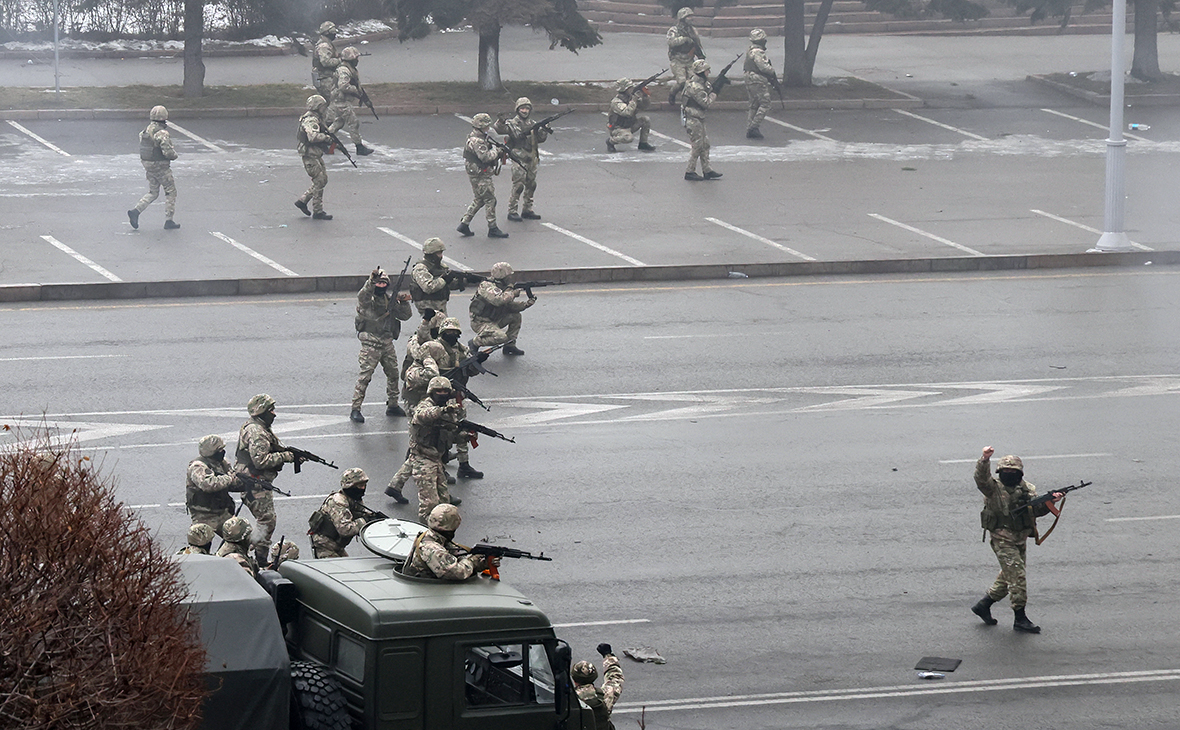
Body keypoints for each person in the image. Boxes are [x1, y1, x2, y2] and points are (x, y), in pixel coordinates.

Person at [971, 447, 1062, 634]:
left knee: (1008, 578)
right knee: (1018, 577)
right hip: (1001, 538)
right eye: (1006, 471)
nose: (1010, 474)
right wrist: (984, 459)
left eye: (1014, 472)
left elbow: (1036, 511)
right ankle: (1020, 618)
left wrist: (1051, 502)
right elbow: (980, 479)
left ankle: (984, 605)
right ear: (1000, 472)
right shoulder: (993, 488)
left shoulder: (1027, 489)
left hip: (1020, 537)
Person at [234, 393, 297, 566]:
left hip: (256, 481)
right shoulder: (257, 432)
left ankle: (249, 552)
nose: (274, 413)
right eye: (271, 410)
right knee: (267, 520)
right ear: (261, 411)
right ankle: (255, 556)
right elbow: (260, 461)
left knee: (266, 520)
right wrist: (286, 457)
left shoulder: (259, 426)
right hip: (254, 482)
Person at [386, 339, 448, 504]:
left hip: (426, 409)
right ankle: (438, 485)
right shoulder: (415, 371)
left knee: (416, 452)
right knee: (421, 448)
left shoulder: (423, 367)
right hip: (418, 411)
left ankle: (395, 485)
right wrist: (429, 359)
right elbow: (433, 375)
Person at [351, 266, 413, 423]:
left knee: (393, 374)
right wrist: (371, 281)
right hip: (370, 343)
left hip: (386, 342)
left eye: (383, 284)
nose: (380, 286)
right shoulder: (368, 301)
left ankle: (392, 405)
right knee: (365, 377)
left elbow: (405, 316)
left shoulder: (389, 301)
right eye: (378, 284)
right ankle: (355, 408)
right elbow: (362, 295)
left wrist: (403, 302)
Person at [408, 377, 464, 522]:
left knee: (444, 502)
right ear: (432, 392)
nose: (442, 393)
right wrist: (443, 410)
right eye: (438, 391)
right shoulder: (425, 405)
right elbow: (422, 415)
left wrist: (465, 435)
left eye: (445, 391)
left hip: (437, 459)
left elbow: (450, 433)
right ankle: (426, 538)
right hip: (423, 459)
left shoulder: (449, 408)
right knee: (429, 505)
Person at [434, 317, 483, 480]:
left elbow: (471, 371)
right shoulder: (434, 348)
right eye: (448, 332)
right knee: (441, 434)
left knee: (463, 430)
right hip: (440, 396)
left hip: (458, 396)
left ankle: (464, 465)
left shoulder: (462, 350)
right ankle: (440, 468)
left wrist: (477, 361)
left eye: (455, 332)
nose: (452, 335)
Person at [402, 504, 496, 580]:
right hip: (425, 590)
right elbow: (458, 573)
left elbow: (454, 558)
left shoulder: (432, 536)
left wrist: (483, 563)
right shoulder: (432, 549)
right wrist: (473, 561)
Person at [127, 105, 180, 231]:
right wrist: (175, 155)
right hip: (160, 166)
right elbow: (168, 152)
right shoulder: (161, 133)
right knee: (170, 191)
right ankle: (169, 220)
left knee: (153, 192)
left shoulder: (145, 132)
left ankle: (136, 211)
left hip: (148, 165)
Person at [494, 97, 547, 222]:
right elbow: (500, 129)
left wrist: (543, 130)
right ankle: (512, 211)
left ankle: (527, 209)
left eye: (527, 108)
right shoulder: (512, 124)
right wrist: (500, 121)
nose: (525, 111)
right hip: (519, 158)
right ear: (517, 109)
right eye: (522, 108)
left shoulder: (532, 124)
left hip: (531, 157)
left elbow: (540, 139)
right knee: (518, 185)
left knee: (531, 184)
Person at [457, 114, 509, 239]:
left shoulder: (476, 136)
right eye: (486, 126)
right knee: (490, 199)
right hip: (480, 174)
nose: (488, 128)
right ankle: (492, 228)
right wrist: (497, 150)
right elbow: (485, 157)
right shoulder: (478, 141)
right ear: (481, 127)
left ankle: (464, 223)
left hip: (476, 172)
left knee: (479, 199)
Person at [309, 467, 378, 558]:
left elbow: (362, 515)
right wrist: (364, 521)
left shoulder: (354, 500)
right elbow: (345, 529)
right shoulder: (338, 501)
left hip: (337, 546)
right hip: (325, 545)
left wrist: (375, 520)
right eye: (360, 486)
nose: (363, 488)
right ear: (350, 486)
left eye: (364, 485)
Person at [469, 262, 535, 356]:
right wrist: (512, 293)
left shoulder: (503, 287)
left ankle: (510, 346)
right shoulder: (487, 286)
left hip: (494, 319)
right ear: (502, 276)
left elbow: (510, 306)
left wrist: (526, 304)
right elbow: (499, 300)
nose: (510, 279)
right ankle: (475, 342)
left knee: (516, 316)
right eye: (508, 276)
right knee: (501, 337)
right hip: (481, 322)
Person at [185, 434, 245, 537]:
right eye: (220, 449)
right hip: (203, 515)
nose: (222, 452)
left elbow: (231, 483)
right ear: (212, 451)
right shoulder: (198, 467)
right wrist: (229, 478)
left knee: (239, 538)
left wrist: (246, 484)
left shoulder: (222, 463)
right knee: (201, 543)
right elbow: (208, 484)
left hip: (222, 513)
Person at [328, 46, 374, 157]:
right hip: (341, 102)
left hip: (339, 101)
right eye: (356, 59)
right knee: (353, 123)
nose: (357, 61)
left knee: (338, 123)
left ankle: (327, 143)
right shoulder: (344, 70)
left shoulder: (347, 69)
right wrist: (356, 91)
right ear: (351, 59)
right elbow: (343, 86)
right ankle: (359, 147)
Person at [294, 94, 334, 220]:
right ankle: (318, 211)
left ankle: (303, 200)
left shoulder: (317, 118)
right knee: (319, 180)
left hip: (315, 153)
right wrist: (327, 139)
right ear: (317, 107)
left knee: (323, 179)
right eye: (322, 106)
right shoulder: (311, 120)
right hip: (309, 155)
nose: (324, 109)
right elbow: (313, 137)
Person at [681, 59, 722, 182]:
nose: (709, 72)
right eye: (707, 70)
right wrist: (715, 93)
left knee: (705, 144)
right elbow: (706, 103)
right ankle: (690, 171)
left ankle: (707, 170)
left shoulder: (701, 83)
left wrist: (717, 84)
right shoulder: (695, 87)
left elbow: (708, 90)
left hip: (699, 117)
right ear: (702, 72)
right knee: (697, 145)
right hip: (693, 118)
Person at [572, 644, 625, 730]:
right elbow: (616, 677)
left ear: (574, 679)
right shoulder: (605, 695)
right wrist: (608, 655)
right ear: (594, 677)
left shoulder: (569, 700)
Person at [409, 238, 464, 315]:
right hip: (428, 307)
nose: (441, 256)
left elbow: (447, 285)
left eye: (441, 253)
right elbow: (428, 287)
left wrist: (463, 281)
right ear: (431, 254)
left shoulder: (441, 267)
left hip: (440, 306)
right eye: (438, 253)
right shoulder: (420, 268)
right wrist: (444, 279)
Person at [606, 78, 656, 154]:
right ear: (624, 89)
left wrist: (645, 96)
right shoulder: (616, 101)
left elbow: (644, 107)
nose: (631, 89)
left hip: (630, 125)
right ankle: (611, 141)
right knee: (628, 138)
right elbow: (627, 113)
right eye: (629, 88)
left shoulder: (631, 98)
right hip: (618, 128)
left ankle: (643, 143)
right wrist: (634, 100)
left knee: (645, 120)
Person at [743, 28, 777, 139]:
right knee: (765, 103)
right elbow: (763, 68)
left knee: (754, 105)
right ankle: (754, 127)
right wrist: (772, 70)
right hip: (757, 79)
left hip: (749, 78)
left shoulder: (750, 50)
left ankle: (749, 128)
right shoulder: (758, 52)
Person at [666, 7, 703, 104]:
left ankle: (689, 100)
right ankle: (672, 94)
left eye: (691, 16)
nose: (691, 18)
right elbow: (671, 42)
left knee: (694, 81)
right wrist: (684, 39)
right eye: (688, 16)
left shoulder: (693, 30)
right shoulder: (674, 30)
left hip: (689, 59)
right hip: (677, 59)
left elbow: (697, 43)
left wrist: (700, 55)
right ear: (682, 18)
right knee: (682, 82)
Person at [311, 20, 341, 100]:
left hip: (327, 77)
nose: (334, 34)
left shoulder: (327, 43)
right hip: (324, 79)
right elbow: (326, 62)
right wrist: (340, 60)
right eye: (332, 31)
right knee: (333, 102)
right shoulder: (324, 45)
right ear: (327, 33)